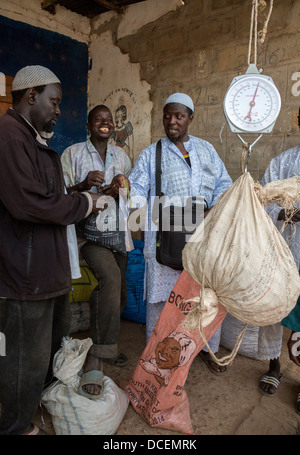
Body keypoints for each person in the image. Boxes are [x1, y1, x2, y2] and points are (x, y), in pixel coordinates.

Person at [0, 65, 104, 435]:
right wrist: (86, 205)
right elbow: (29, 204)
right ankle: (14, 426)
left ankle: (33, 404)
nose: (59, 110)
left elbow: (48, 198)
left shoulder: (31, 140)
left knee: (40, 353)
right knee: (22, 358)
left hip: (44, 270)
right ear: (32, 96)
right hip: (25, 275)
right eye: (54, 102)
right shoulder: (11, 138)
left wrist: (76, 194)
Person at [112, 92, 232, 374]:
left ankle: (206, 348)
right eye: (167, 115)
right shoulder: (151, 153)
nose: (172, 121)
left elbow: (224, 184)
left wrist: (211, 211)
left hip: (203, 236)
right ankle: (157, 352)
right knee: (160, 301)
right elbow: (138, 193)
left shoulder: (206, 150)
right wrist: (126, 189)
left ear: (191, 118)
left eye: (179, 116)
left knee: (205, 297)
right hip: (164, 237)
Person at [61, 104, 133, 398]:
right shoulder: (73, 154)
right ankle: (96, 357)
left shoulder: (122, 156)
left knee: (119, 291)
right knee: (110, 279)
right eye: (98, 119)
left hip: (117, 233)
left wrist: (120, 187)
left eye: (109, 120)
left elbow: (132, 189)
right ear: (89, 125)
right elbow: (60, 194)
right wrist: (83, 185)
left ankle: (106, 339)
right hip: (87, 235)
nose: (105, 123)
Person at [257, 142, 300, 399]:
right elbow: (262, 199)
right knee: (273, 310)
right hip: (283, 252)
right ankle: (274, 366)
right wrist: (285, 213)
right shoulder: (282, 162)